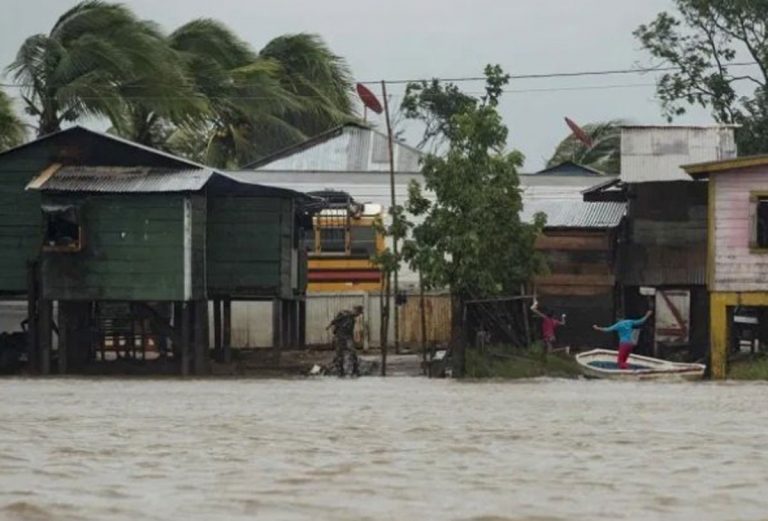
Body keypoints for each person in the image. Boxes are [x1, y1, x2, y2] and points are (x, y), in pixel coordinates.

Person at [327, 305, 363, 376]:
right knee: (340, 354)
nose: (358, 315)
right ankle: (341, 371)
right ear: (355, 311)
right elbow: (334, 322)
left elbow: (350, 330)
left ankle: (355, 370)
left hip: (347, 337)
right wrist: (331, 326)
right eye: (358, 313)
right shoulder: (345, 315)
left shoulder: (352, 319)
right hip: (340, 336)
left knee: (352, 353)